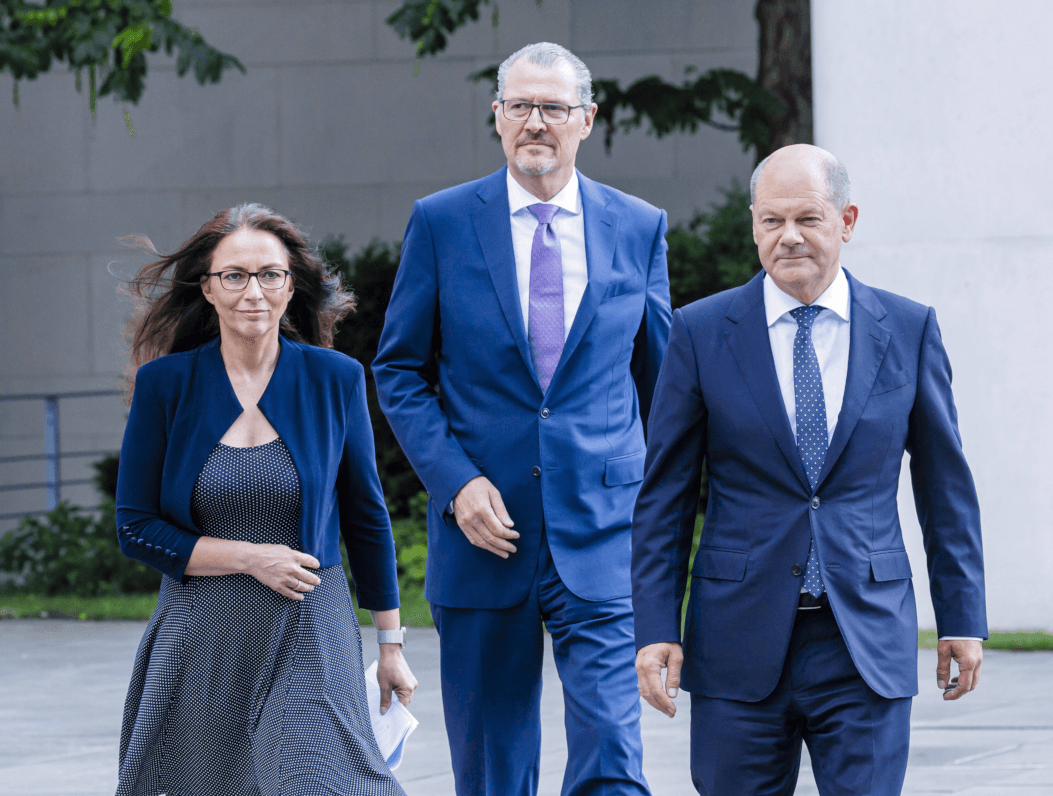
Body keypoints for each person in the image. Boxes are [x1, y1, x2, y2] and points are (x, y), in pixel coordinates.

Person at [631, 144, 988, 795]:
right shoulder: (699, 332)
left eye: (807, 218)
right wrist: (655, 627)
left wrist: (961, 617)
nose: (787, 236)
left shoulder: (907, 329)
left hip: (864, 640)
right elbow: (664, 499)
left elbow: (945, 489)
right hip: (736, 639)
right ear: (752, 225)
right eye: (770, 221)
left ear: (845, 220)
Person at [372, 42, 670, 796]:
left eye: (554, 107)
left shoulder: (637, 226)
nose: (535, 122)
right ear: (496, 117)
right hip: (482, 536)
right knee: (492, 770)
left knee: (611, 753)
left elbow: (665, 384)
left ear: (586, 120)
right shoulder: (440, 222)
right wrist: (454, 482)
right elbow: (399, 371)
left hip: (601, 531)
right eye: (519, 106)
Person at [113, 203, 417, 796]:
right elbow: (136, 528)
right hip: (202, 629)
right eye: (235, 276)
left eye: (270, 275)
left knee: (324, 781)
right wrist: (252, 557)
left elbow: (366, 516)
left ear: (290, 284)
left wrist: (391, 645)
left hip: (310, 621)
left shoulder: (337, 377)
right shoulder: (166, 385)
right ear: (207, 288)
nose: (254, 291)